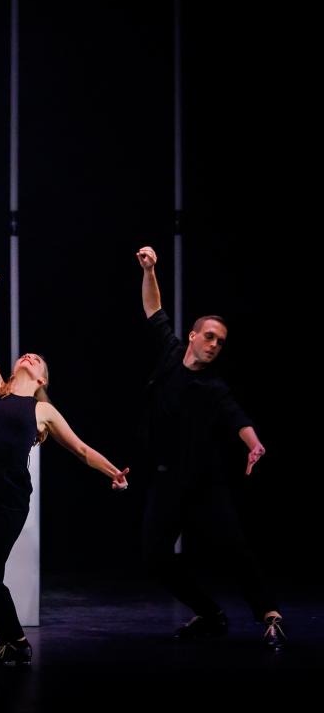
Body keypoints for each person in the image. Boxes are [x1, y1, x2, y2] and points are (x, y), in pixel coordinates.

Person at [0, 271, 129, 680]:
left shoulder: (42, 410)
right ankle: (16, 643)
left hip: (9, 495)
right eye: (26, 355)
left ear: (42, 379)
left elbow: (81, 449)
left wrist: (114, 473)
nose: (29, 356)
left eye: (37, 360)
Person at [134, 246, 285, 651]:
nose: (215, 345)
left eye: (221, 341)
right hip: (167, 479)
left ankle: (269, 613)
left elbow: (237, 417)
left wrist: (254, 444)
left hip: (204, 482)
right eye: (209, 337)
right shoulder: (170, 352)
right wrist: (150, 270)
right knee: (154, 557)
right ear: (194, 335)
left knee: (234, 546)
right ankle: (209, 613)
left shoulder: (213, 386)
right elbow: (153, 308)